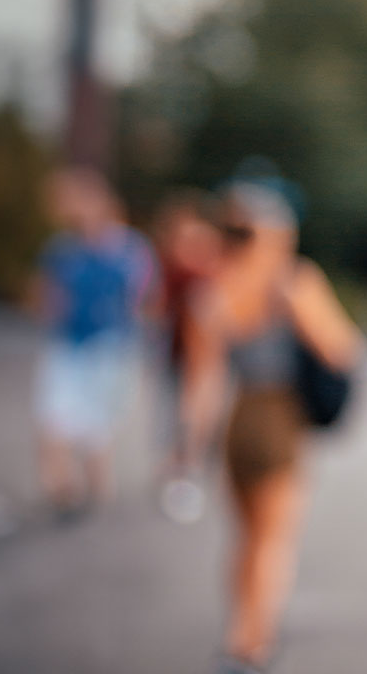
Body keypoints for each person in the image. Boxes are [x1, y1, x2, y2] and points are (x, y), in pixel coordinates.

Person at [182, 180, 363, 674]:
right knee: (274, 539)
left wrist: (189, 449)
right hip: (279, 419)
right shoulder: (291, 281)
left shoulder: (214, 288)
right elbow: (342, 348)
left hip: (237, 420)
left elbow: (202, 384)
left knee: (244, 538)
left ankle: (238, 628)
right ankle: (254, 642)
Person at [31, 166, 157, 519]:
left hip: (110, 346)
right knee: (54, 418)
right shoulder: (62, 249)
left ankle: (96, 487)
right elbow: (48, 299)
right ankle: (62, 489)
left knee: (96, 423)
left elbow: (142, 299)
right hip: (70, 345)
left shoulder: (127, 248)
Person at [149, 189, 224, 523]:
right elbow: (157, 303)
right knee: (177, 409)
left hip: (205, 351)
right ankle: (179, 464)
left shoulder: (206, 262)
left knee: (199, 410)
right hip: (178, 348)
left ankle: (189, 464)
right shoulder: (171, 264)